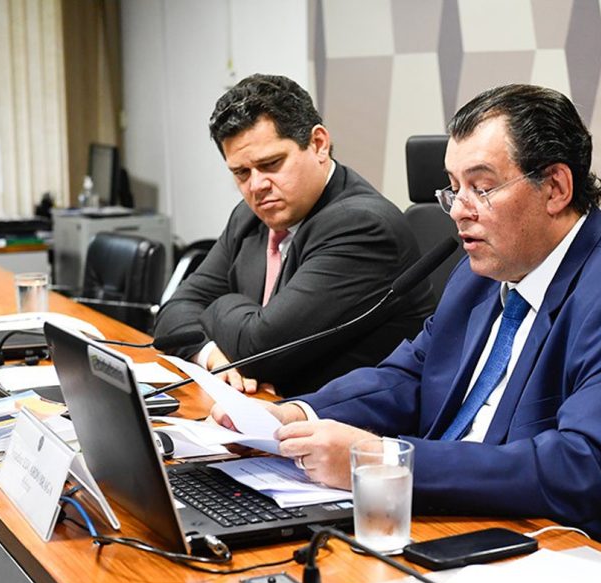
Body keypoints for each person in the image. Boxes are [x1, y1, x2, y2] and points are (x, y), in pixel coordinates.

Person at [212, 84, 601, 563]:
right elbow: (409, 376)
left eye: (480, 188)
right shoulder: (480, 273)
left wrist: (380, 457)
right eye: (452, 188)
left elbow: (582, 468)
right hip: (473, 526)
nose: (458, 210)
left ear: (555, 187)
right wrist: (291, 417)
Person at [155, 74, 434, 397]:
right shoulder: (250, 216)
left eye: (271, 164)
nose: (256, 186)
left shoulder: (363, 227)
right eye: (241, 173)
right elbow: (173, 312)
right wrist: (210, 355)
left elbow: (258, 352)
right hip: (265, 409)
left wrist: (219, 305)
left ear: (318, 144)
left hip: (346, 427)